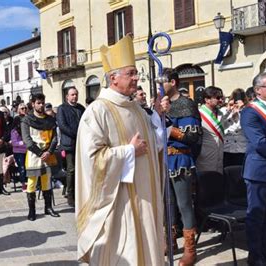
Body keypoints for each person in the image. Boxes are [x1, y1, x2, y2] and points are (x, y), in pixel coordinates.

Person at [76, 36, 170, 265]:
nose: (137, 78)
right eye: (131, 73)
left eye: (136, 72)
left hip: (145, 197)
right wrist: (128, 151)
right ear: (113, 78)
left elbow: (152, 144)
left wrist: (158, 117)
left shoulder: (137, 109)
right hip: (119, 202)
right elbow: (92, 158)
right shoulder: (97, 111)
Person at [162, 68, 202, 265]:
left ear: (173, 82)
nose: (160, 86)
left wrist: (169, 129)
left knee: (184, 205)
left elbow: (193, 137)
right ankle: (170, 241)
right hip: (163, 161)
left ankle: (190, 250)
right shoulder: (161, 105)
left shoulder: (186, 105)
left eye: (162, 82)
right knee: (166, 205)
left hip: (180, 160)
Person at [240, 71, 266, 266]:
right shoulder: (250, 112)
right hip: (260, 172)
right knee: (257, 217)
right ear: (258, 90)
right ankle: (255, 256)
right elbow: (260, 143)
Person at [21, 93, 60, 221]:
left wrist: (49, 151)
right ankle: (32, 210)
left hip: (47, 153)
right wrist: (40, 153)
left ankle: (48, 207)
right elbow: (27, 140)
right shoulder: (26, 120)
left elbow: (54, 138)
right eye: (38, 103)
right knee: (32, 183)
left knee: (46, 180)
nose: (41, 105)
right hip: (34, 154)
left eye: (42, 102)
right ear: (33, 104)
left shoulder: (50, 120)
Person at [56, 87, 85, 207]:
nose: (74, 97)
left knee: (82, 170)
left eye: (76, 94)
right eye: (72, 95)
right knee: (71, 170)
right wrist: (76, 134)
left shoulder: (81, 108)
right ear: (67, 96)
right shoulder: (62, 108)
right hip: (69, 144)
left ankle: (81, 193)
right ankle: (70, 194)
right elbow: (62, 126)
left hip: (81, 143)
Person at [196, 86, 228, 174]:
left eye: (221, 98)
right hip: (205, 157)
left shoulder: (221, 113)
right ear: (207, 99)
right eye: (217, 98)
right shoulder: (199, 113)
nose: (220, 100)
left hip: (219, 155)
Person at [221, 88, 248, 167]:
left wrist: (241, 111)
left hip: (241, 149)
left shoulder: (247, 111)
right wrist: (229, 110)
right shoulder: (224, 111)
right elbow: (219, 126)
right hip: (227, 148)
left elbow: (244, 126)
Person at [11, 104, 28, 191]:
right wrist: (23, 143)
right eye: (22, 108)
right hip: (19, 150)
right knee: (22, 167)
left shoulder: (29, 119)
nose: (24, 109)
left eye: (25, 108)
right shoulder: (16, 122)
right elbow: (14, 142)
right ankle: (23, 184)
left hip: (28, 150)